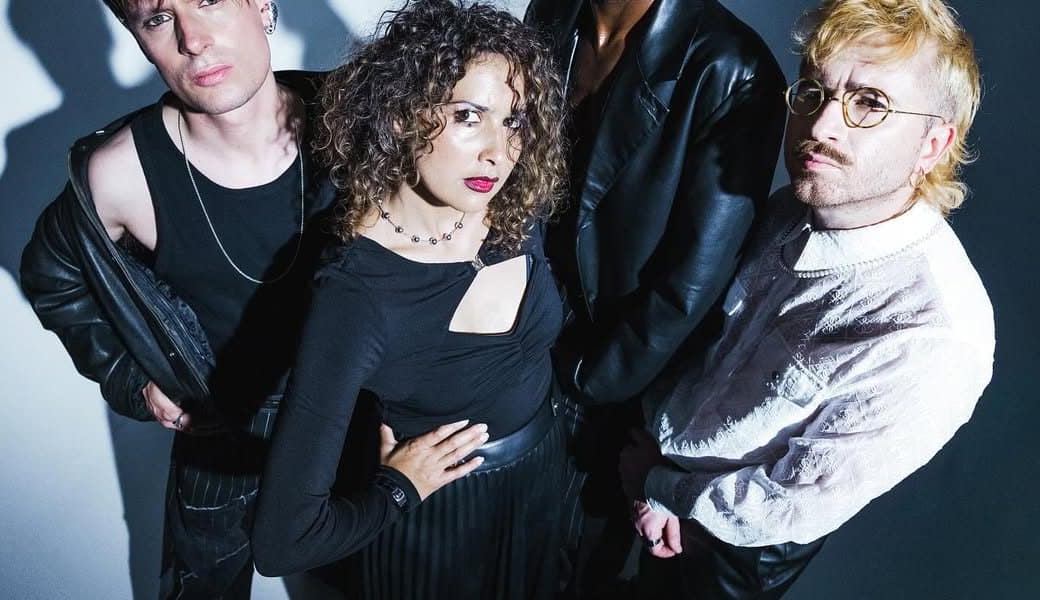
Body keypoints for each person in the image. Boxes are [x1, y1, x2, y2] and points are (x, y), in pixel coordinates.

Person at [620, 0, 993, 597]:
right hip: (646, 466)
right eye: (814, 92)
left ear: (933, 144)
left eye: (869, 103)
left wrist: (662, 487)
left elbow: (785, 506)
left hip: (727, 546)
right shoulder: (797, 207)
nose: (820, 127)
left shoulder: (934, 334)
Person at [250, 1, 573, 598]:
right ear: (402, 114)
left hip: (540, 483)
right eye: (468, 116)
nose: (498, 151)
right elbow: (281, 542)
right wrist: (398, 490)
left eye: (514, 121)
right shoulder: (356, 296)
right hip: (440, 527)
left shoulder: (510, 205)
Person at [19, 1, 332, 596]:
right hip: (229, 434)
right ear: (137, 37)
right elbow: (50, 277)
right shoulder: (119, 172)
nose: (192, 38)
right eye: (158, 18)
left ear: (262, 4)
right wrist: (132, 378)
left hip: (355, 410)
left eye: (208, 0)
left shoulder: (351, 116)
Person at [523, 0, 787, 595]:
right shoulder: (553, 12)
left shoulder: (733, 67)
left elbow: (690, 285)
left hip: (603, 383)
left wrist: (590, 379)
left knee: (558, 570)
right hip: (513, 333)